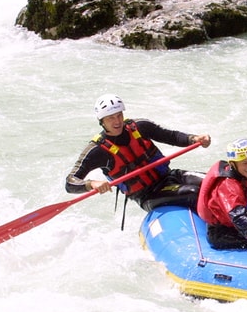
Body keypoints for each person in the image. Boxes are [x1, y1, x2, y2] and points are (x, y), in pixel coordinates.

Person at [65, 94, 211, 224]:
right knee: (193, 192)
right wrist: (92, 184)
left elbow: (170, 136)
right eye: (111, 118)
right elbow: (70, 182)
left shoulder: (140, 127)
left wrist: (194, 139)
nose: (117, 121)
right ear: (102, 121)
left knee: (212, 181)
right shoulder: (97, 150)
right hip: (148, 194)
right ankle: (217, 230)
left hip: (170, 176)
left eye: (119, 115)